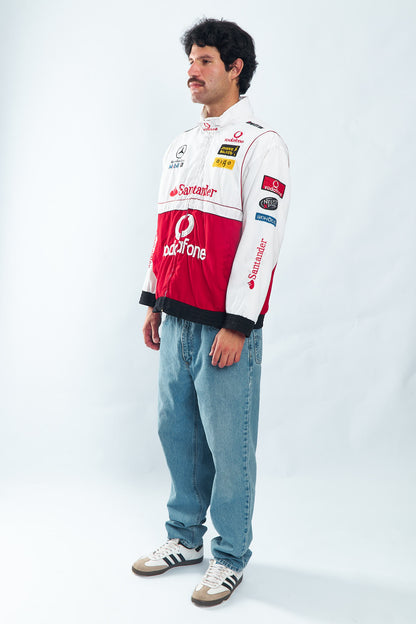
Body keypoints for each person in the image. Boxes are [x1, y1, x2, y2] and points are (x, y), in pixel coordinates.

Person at [132, 17, 290, 607]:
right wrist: (154, 298)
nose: (192, 72)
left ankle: (230, 556)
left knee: (229, 446)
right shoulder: (181, 145)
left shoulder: (260, 144)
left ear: (235, 68)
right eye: (191, 61)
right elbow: (165, 228)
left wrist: (238, 323)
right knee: (176, 433)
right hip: (175, 318)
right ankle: (184, 537)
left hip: (224, 326)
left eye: (204, 61)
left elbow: (262, 238)